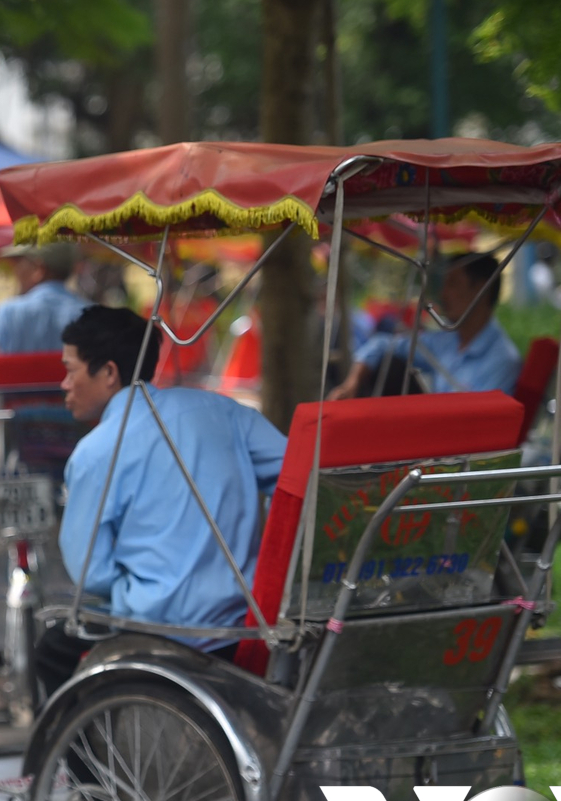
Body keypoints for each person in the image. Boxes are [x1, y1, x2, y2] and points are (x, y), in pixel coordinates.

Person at [32, 305, 288, 702]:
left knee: (52, 650)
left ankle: (74, 766)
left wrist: (144, 589)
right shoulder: (222, 410)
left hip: (157, 628)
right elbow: (295, 479)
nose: (64, 384)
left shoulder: (96, 452)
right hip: (243, 620)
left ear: (109, 373)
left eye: (71, 369)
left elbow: (91, 574)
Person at [329, 252, 520, 399]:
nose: (444, 294)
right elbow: (382, 344)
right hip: (433, 432)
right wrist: (351, 384)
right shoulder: (446, 341)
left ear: (481, 290)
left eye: (453, 284)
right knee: (389, 364)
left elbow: (481, 425)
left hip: (460, 442)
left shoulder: (502, 360)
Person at [0, 242, 88, 354]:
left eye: (18, 264)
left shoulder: (9, 313)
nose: (16, 272)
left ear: (38, 269)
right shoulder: (93, 314)